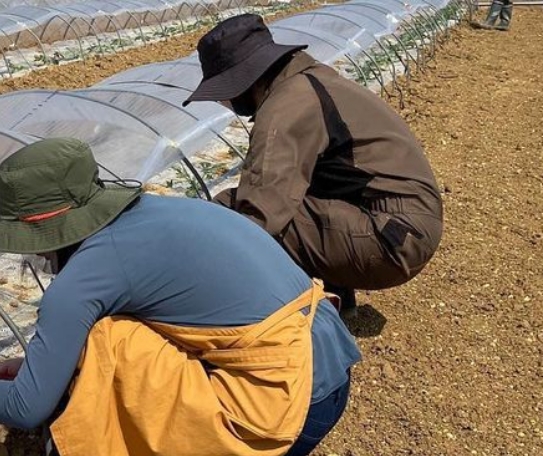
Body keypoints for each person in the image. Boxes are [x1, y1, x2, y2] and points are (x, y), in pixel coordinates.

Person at [0, 138, 361, 456]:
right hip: (330, 371)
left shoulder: (84, 279)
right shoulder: (162, 210)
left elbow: (25, 408)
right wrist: (38, 365)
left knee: (106, 337)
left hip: (289, 414)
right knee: (113, 333)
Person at [184, 14, 443, 313]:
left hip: (391, 239)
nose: (224, 102)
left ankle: (267, 315)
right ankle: (334, 300)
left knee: (233, 211)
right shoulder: (310, 79)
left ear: (244, 80)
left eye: (224, 92)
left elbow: (258, 216)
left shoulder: (286, 107)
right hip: (408, 225)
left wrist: (196, 280)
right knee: (302, 188)